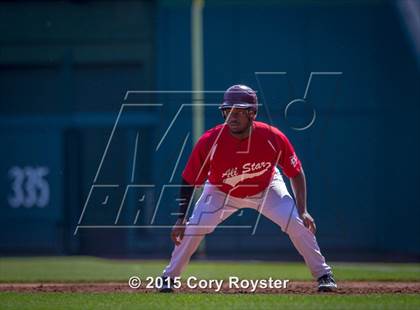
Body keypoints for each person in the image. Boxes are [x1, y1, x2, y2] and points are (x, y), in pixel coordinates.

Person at [159, 84, 337, 292]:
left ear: (253, 113)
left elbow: (295, 172)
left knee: (297, 221)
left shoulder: (272, 137)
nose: (232, 117)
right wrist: (181, 218)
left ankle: (324, 274)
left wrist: (303, 209)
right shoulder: (210, 141)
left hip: (266, 187)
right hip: (221, 190)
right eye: (228, 111)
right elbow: (189, 179)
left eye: (239, 111)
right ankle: (169, 277)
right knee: (193, 228)